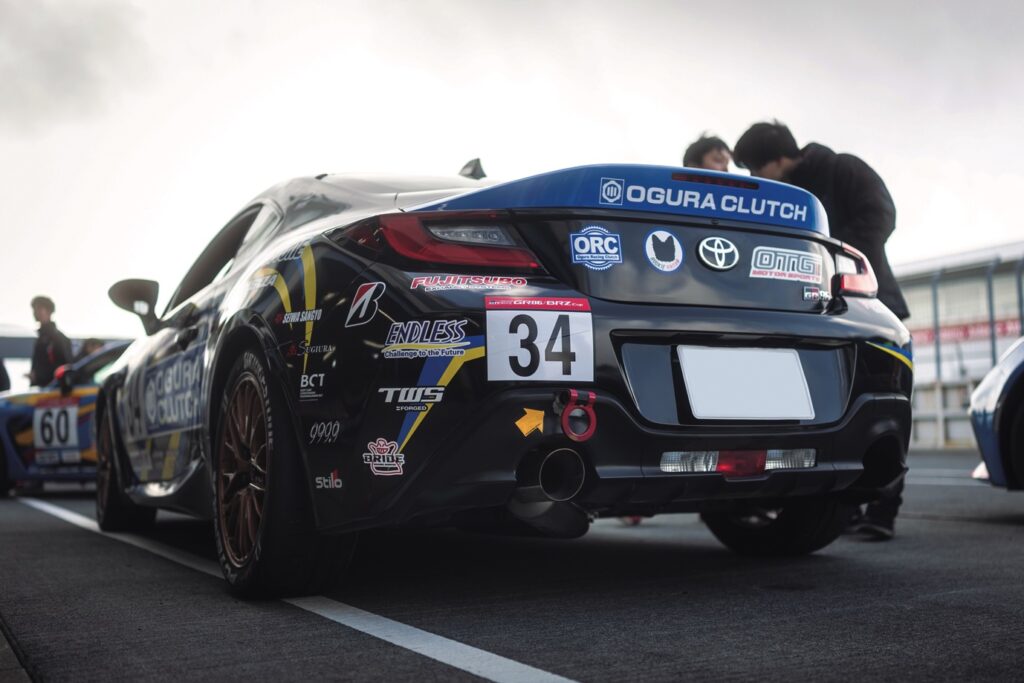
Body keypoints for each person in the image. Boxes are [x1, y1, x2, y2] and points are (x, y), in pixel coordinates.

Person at [733, 122, 908, 541]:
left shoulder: (843, 169)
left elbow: (881, 215)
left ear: (778, 159)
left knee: (879, 408)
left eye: (756, 168)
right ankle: (836, 507)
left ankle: (883, 508)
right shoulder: (777, 196)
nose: (755, 178)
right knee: (812, 413)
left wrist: (825, 255)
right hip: (801, 314)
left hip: (864, 308)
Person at [29, 296, 72, 387]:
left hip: (52, 390)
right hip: (41, 389)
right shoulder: (41, 337)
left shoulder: (58, 338)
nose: (35, 313)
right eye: (34, 309)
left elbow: (64, 367)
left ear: (48, 311)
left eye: (38, 309)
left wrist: (37, 376)